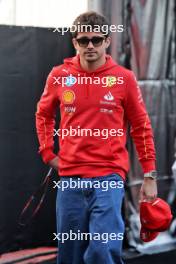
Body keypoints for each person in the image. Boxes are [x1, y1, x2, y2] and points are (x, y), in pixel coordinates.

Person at [35, 11, 158, 264]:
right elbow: (43, 114)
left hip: (109, 177)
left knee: (103, 252)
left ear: (107, 41)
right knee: (69, 256)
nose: (90, 45)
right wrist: (48, 153)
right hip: (70, 179)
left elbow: (141, 126)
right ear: (74, 43)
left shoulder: (124, 78)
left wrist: (149, 174)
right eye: (83, 40)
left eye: (96, 39)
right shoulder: (59, 75)